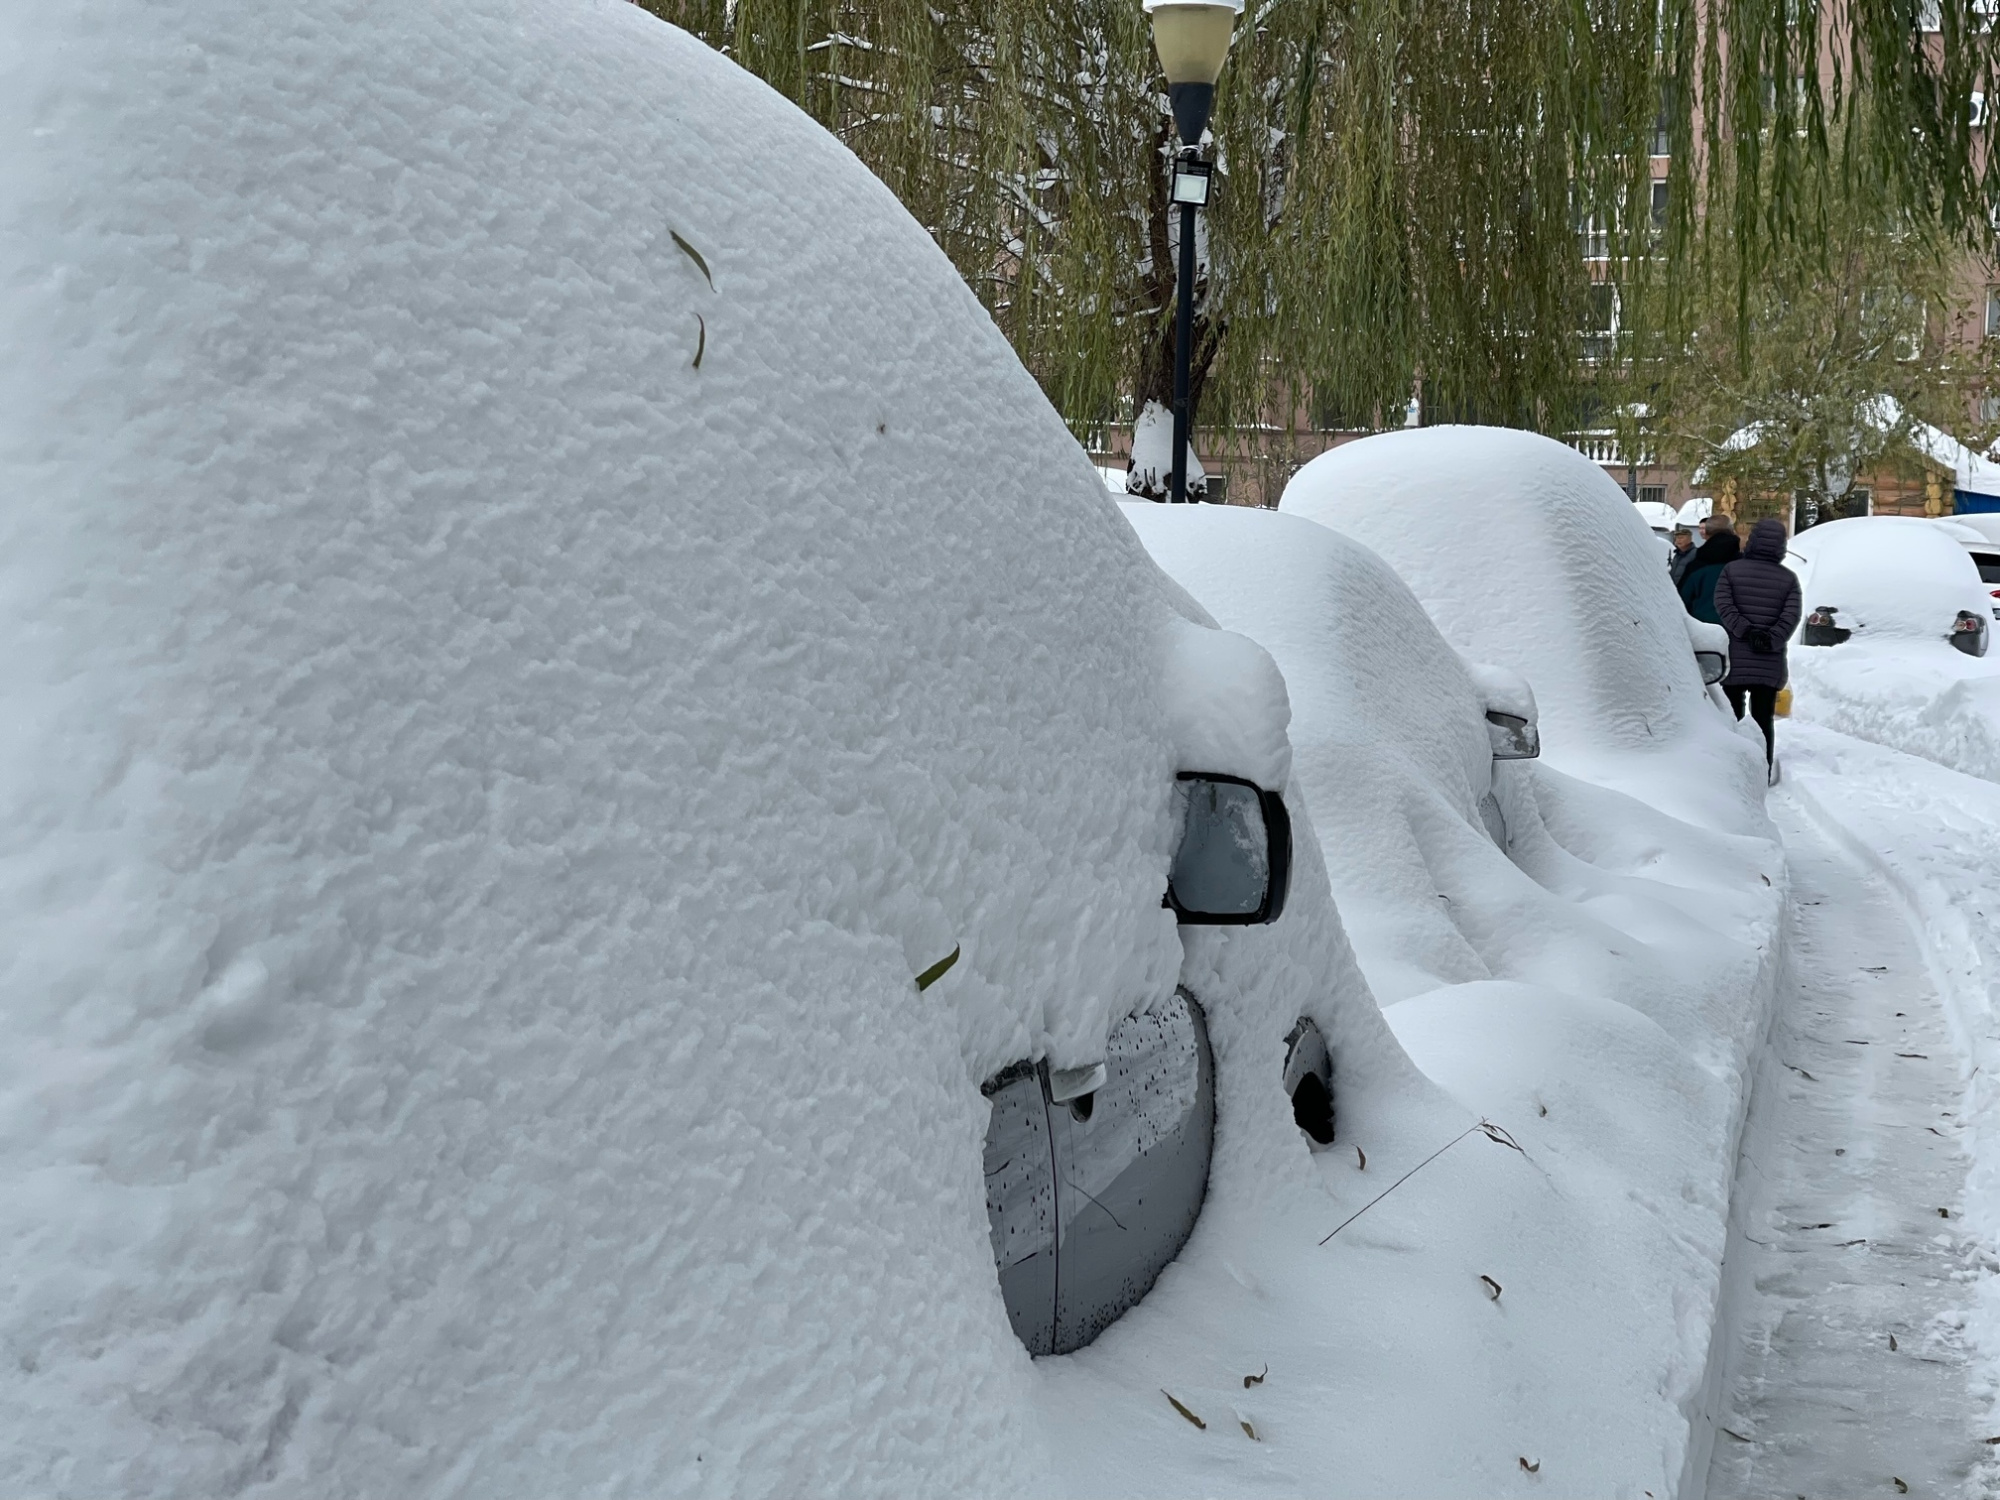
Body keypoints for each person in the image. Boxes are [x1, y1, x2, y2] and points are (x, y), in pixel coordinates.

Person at [1714, 516, 1801, 783]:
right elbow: (1791, 616)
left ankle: (1730, 769)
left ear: (1751, 541)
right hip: (1768, 660)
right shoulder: (1788, 579)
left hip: (1736, 657)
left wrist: (1744, 631)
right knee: (1763, 718)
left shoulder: (1731, 570)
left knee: (1732, 715)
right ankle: (1761, 771)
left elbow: (1723, 605)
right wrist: (1770, 638)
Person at [1677, 513, 1741, 623]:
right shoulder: (1744, 565)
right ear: (1732, 531)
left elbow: (1681, 601)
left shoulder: (1695, 566)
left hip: (1701, 627)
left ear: (1706, 533)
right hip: (1736, 627)